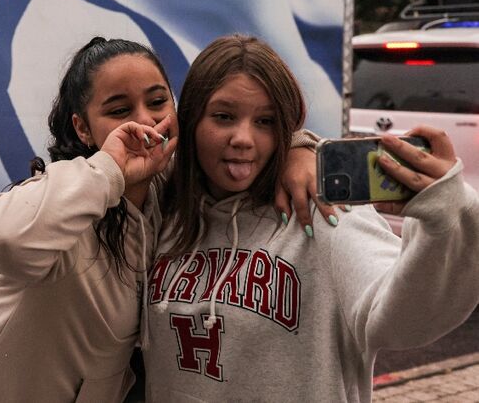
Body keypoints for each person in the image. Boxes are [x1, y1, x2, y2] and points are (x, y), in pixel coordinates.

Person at [0, 37, 330, 403]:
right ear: (83, 127)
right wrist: (109, 167)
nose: (144, 120)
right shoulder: (66, 195)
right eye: (118, 109)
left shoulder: (173, 191)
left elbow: (246, 135)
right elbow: (4, 240)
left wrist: (298, 148)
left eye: (157, 101)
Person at [144, 34, 479, 403]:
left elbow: (400, 322)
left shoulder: (322, 208)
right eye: (224, 117)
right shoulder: (161, 206)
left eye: (266, 121)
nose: (243, 138)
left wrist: (447, 215)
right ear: (191, 120)